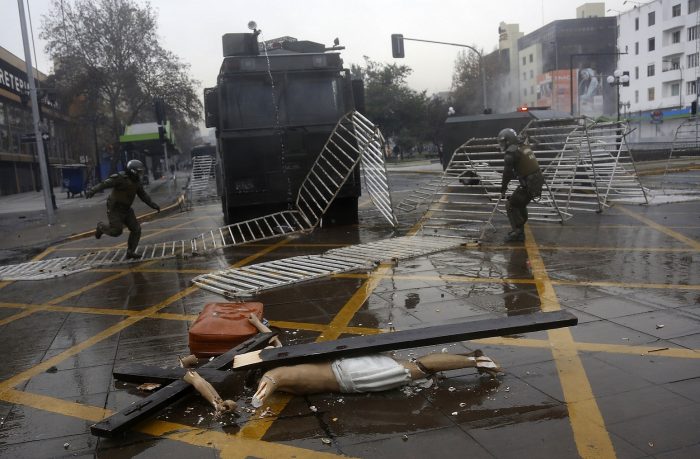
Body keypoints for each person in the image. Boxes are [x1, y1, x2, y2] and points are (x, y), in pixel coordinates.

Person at [251, 350, 501, 407]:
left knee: (417, 368)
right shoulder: (286, 365)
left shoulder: (276, 374)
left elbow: (269, 382)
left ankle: (476, 361)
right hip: (348, 372)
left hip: (352, 376)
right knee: (413, 368)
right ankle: (470, 357)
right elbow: (275, 344)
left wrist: (258, 398)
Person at [85, 159, 160, 258]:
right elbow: (105, 184)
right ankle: (101, 227)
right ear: (133, 171)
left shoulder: (137, 182)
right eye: (139, 171)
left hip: (127, 209)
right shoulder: (120, 178)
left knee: (136, 229)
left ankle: (130, 252)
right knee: (116, 231)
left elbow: (143, 196)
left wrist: (153, 205)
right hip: (115, 209)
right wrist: (92, 190)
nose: (140, 174)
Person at [498, 128, 544, 243]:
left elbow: (507, 173)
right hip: (536, 181)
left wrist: (503, 188)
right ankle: (520, 229)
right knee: (520, 203)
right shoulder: (523, 145)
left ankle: (518, 232)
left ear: (508, 141)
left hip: (529, 183)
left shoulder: (511, 152)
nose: (502, 145)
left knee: (511, 205)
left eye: (503, 142)